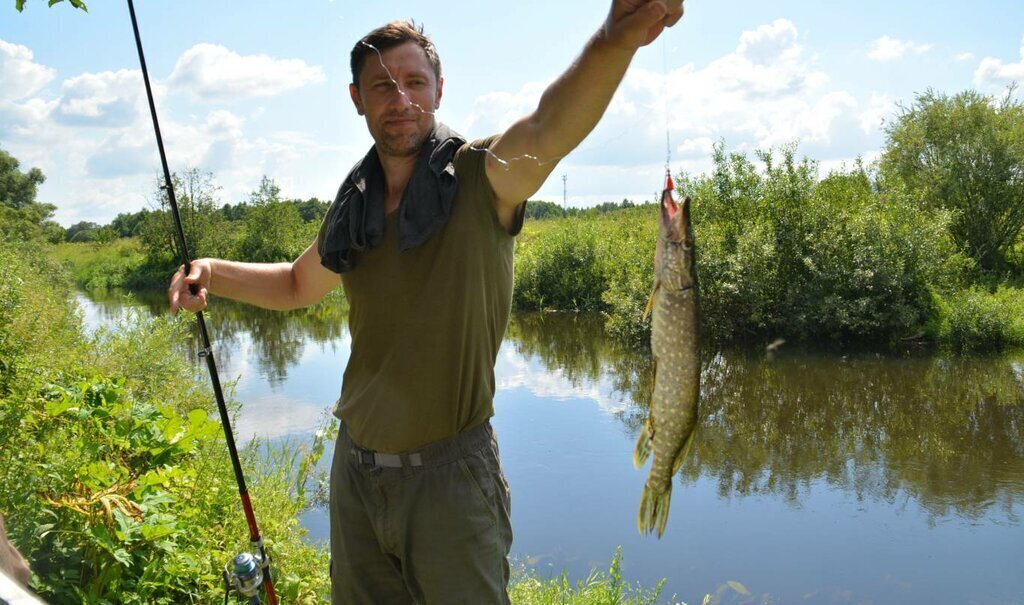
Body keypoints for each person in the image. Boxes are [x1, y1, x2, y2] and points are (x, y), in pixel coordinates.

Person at [168, 1, 684, 602]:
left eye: (415, 82)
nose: (401, 98)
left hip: (451, 483)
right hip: (357, 475)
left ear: (439, 89)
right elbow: (294, 284)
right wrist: (211, 271)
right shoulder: (354, 203)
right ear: (356, 98)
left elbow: (548, 128)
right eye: (381, 86)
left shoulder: (481, 176)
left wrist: (616, 37)